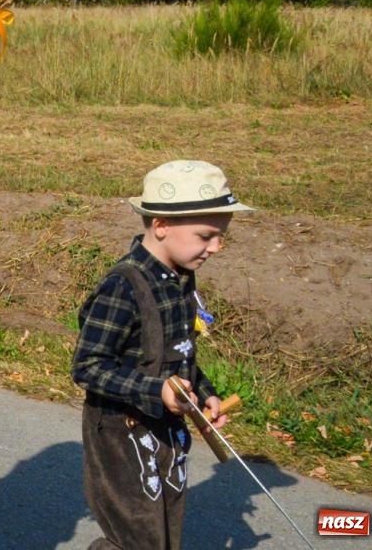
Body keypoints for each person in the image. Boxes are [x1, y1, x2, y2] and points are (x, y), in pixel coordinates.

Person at [72, 160, 249, 550]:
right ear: (162, 226)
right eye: (207, 235)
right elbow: (87, 367)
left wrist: (203, 395)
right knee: (136, 538)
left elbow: (179, 355)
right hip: (121, 432)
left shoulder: (180, 280)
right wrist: (157, 390)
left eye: (221, 236)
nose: (216, 247)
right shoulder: (123, 286)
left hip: (166, 430)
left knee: (164, 529)